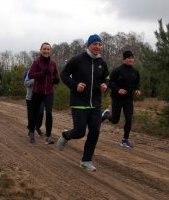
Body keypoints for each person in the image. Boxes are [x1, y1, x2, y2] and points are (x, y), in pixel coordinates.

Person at [57, 34, 109, 171]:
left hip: (95, 104)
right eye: (95, 44)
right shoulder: (77, 60)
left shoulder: (102, 63)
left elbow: (106, 78)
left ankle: (86, 161)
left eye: (99, 44)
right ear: (89, 45)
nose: (97, 46)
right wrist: (75, 85)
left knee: (94, 132)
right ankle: (65, 135)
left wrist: (105, 85)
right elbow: (64, 74)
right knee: (80, 132)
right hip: (79, 102)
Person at [101, 50, 141, 149]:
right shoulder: (117, 71)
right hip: (117, 98)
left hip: (128, 99)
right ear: (124, 59)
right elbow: (109, 82)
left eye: (132, 58)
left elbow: (136, 84)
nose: (131, 59)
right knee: (115, 120)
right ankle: (105, 115)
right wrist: (118, 90)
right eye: (129, 58)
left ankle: (125, 140)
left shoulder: (135, 72)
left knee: (129, 118)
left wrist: (137, 90)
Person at [27, 42, 60, 144]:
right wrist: (42, 73)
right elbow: (31, 75)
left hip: (49, 92)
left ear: (50, 51)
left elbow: (56, 75)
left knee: (49, 113)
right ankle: (31, 133)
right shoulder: (36, 62)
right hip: (37, 92)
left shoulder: (53, 63)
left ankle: (49, 136)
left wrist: (56, 79)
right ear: (41, 50)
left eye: (48, 49)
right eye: (44, 49)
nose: (46, 51)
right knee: (34, 114)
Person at [24, 69, 44, 137]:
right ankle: (31, 130)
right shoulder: (30, 72)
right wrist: (34, 79)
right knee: (31, 115)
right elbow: (26, 83)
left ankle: (37, 127)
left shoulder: (43, 72)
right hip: (30, 98)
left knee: (40, 114)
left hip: (41, 97)